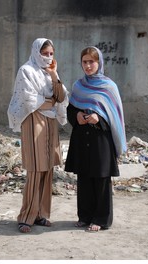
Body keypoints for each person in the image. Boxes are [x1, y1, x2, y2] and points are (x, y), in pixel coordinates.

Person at [8, 38, 69, 233]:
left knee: (48, 169)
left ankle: (42, 214)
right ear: (36, 53)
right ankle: (26, 216)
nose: (48, 57)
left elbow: (60, 97)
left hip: (50, 123)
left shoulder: (51, 72)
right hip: (33, 121)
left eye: (51, 53)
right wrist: (49, 101)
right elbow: (29, 100)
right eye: (45, 53)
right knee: (35, 169)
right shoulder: (26, 71)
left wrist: (53, 75)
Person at [64, 46, 127, 232]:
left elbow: (115, 117)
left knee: (101, 178)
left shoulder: (109, 87)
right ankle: (84, 216)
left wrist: (99, 118)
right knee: (83, 178)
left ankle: (101, 219)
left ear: (99, 63)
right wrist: (77, 117)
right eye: (85, 62)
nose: (88, 65)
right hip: (82, 137)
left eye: (92, 61)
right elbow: (70, 109)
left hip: (101, 139)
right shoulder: (78, 85)